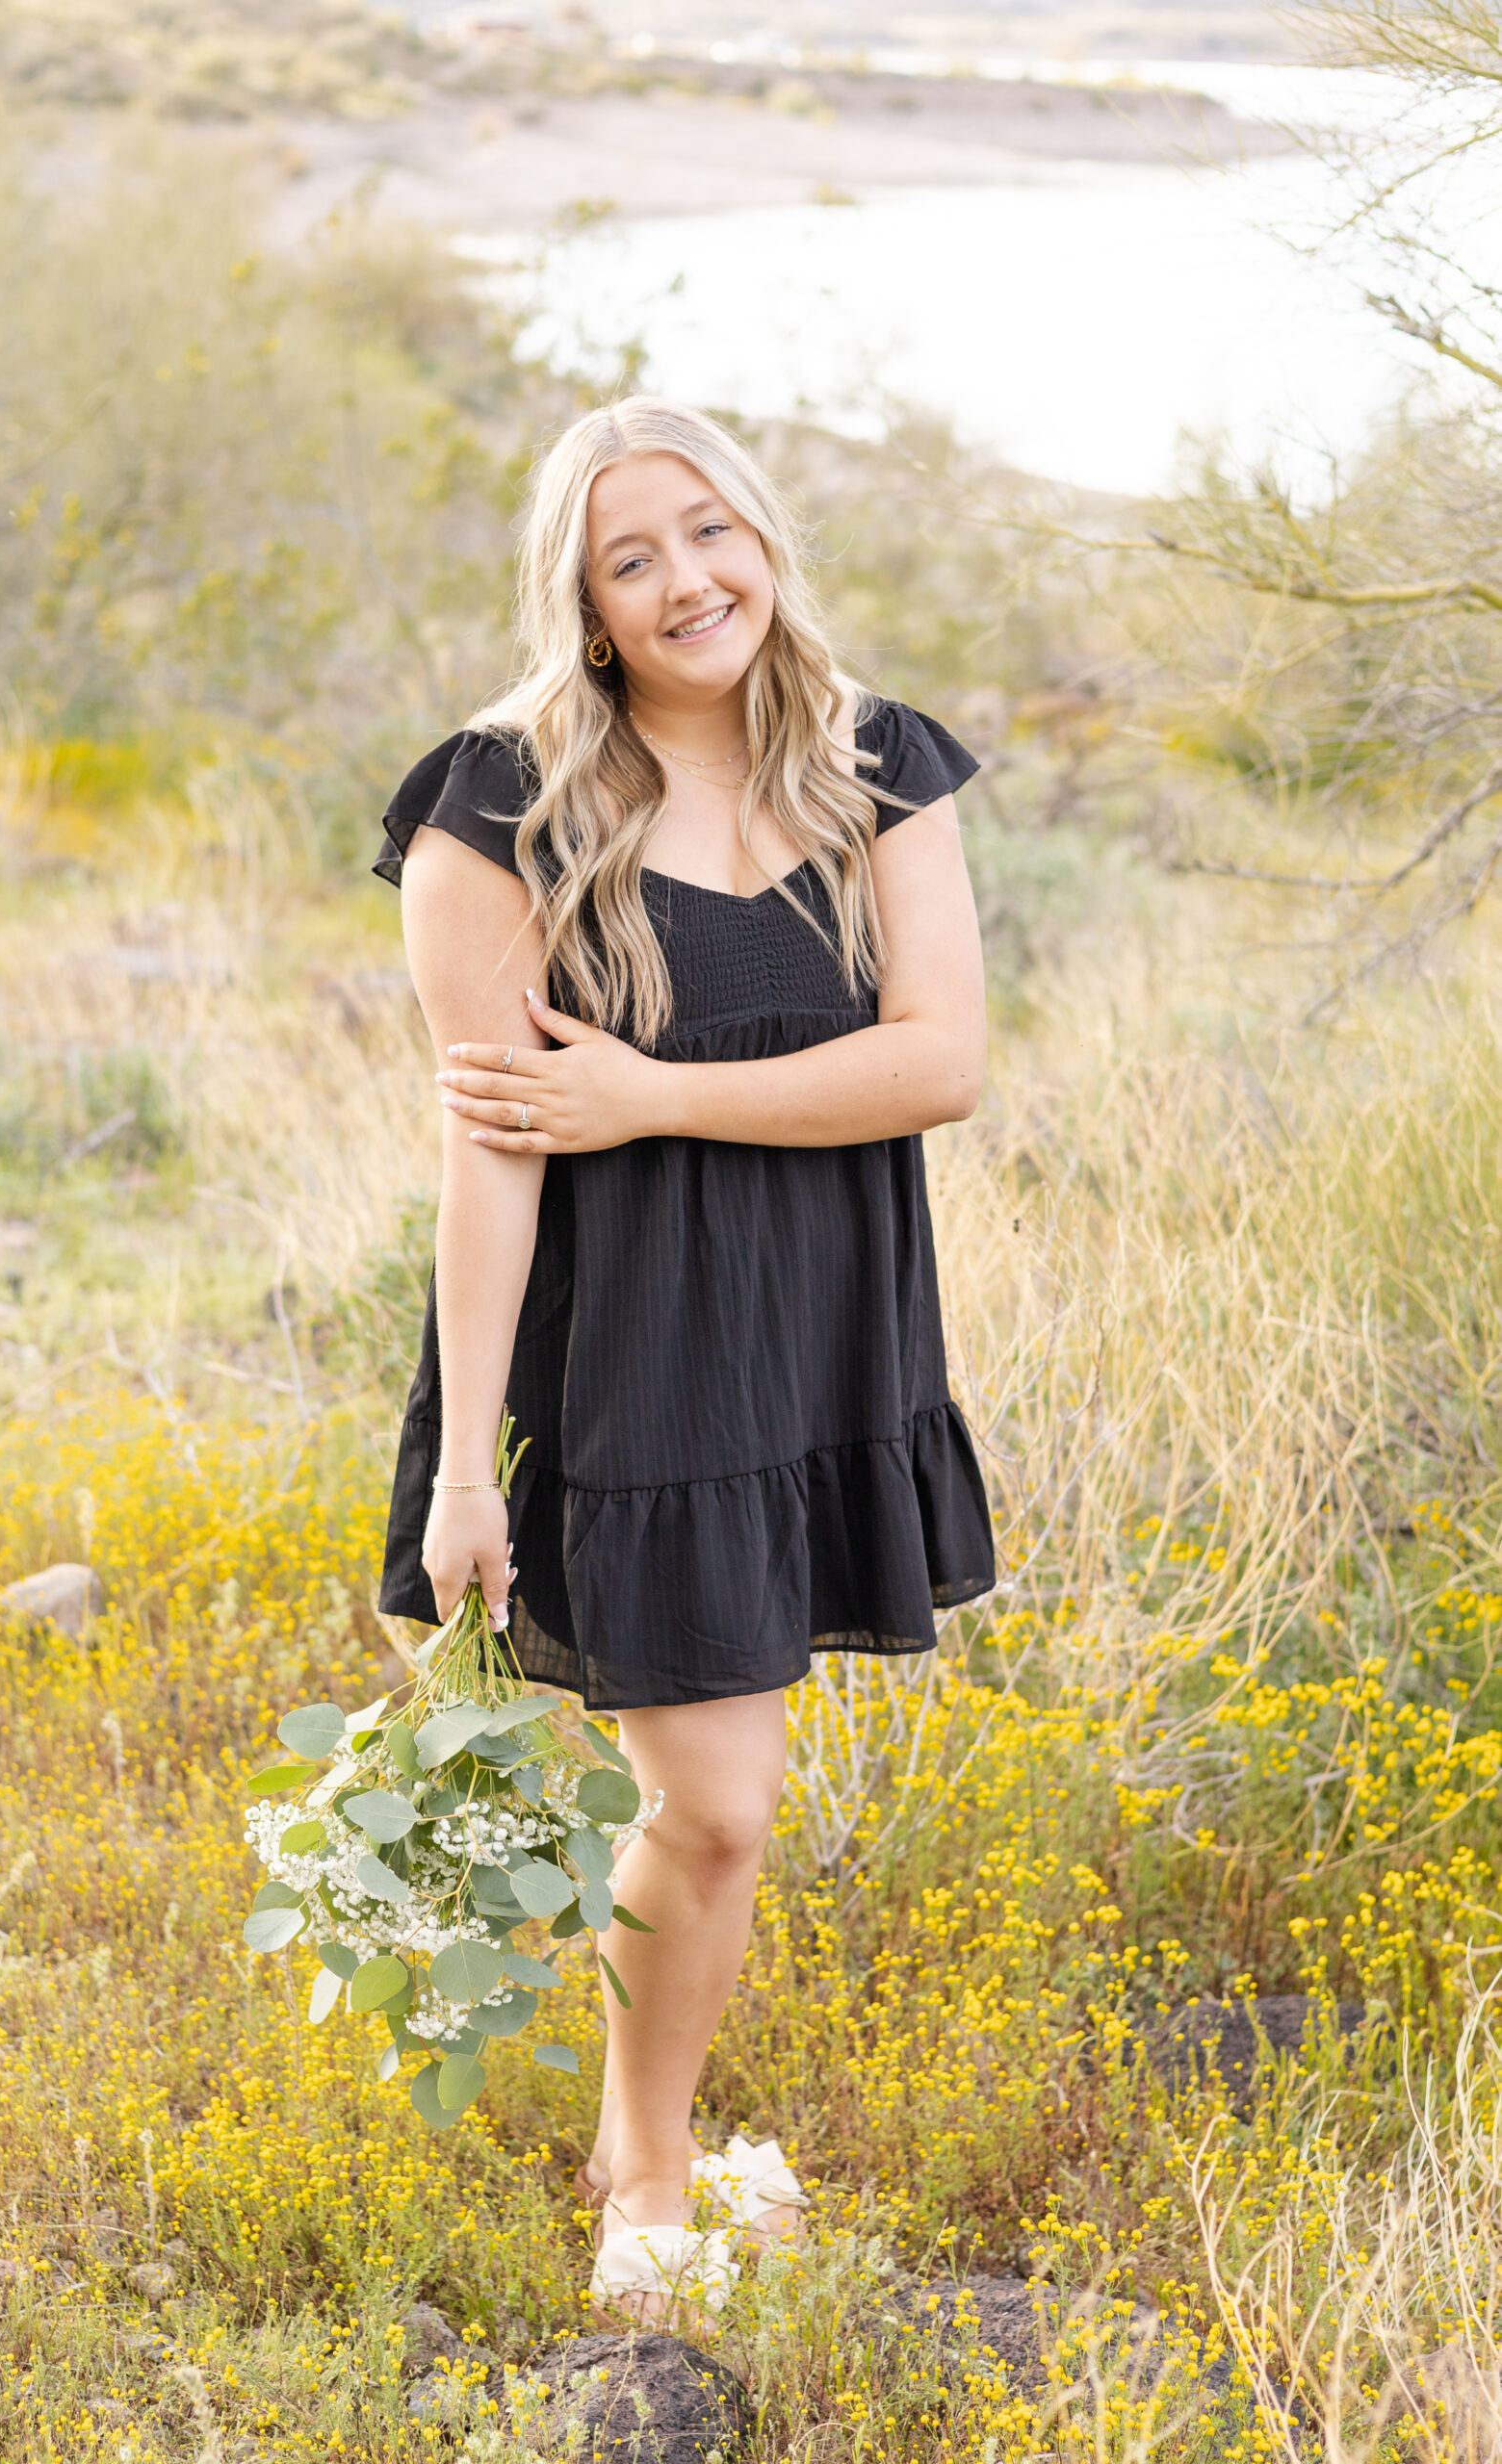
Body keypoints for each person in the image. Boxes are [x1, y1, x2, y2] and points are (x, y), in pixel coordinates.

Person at [372, 395, 994, 2325]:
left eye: (706, 531)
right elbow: (490, 1148)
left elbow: (939, 1060)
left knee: (723, 1798)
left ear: (764, 535)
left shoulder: (874, 761)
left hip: (817, 1343)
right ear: (581, 595)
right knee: (714, 1801)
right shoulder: (497, 801)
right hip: (624, 1362)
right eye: (627, 555)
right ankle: (643, 2176)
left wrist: (647, 1090)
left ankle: (648, 2137)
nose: (684, 580)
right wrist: (471, 1463)